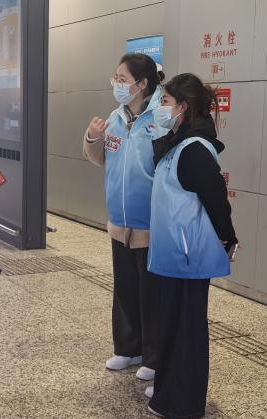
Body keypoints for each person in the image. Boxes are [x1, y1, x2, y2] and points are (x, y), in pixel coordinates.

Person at [145, 73, 238, 419]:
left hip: (188, 255)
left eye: (165, 102)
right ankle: (168, 390)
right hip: (174, 255)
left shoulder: (195, 149)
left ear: (183, 107)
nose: (160, 107)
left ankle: (183, 403)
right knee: (172, 325)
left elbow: (216, 200)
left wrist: (228, 237)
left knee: (186, 329)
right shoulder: (178, 143)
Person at [82, 53, 166, 382]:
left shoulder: (161, 117)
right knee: (125, 289)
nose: (116, 84)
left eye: (122, 79)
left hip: (150, 225)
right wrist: (93, 137)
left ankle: (154, 356)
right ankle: (128, 348)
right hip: (119, 221)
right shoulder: (115, 117)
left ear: (142, 84)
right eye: (115, 78)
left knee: (151, 295)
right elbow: (101, 158)